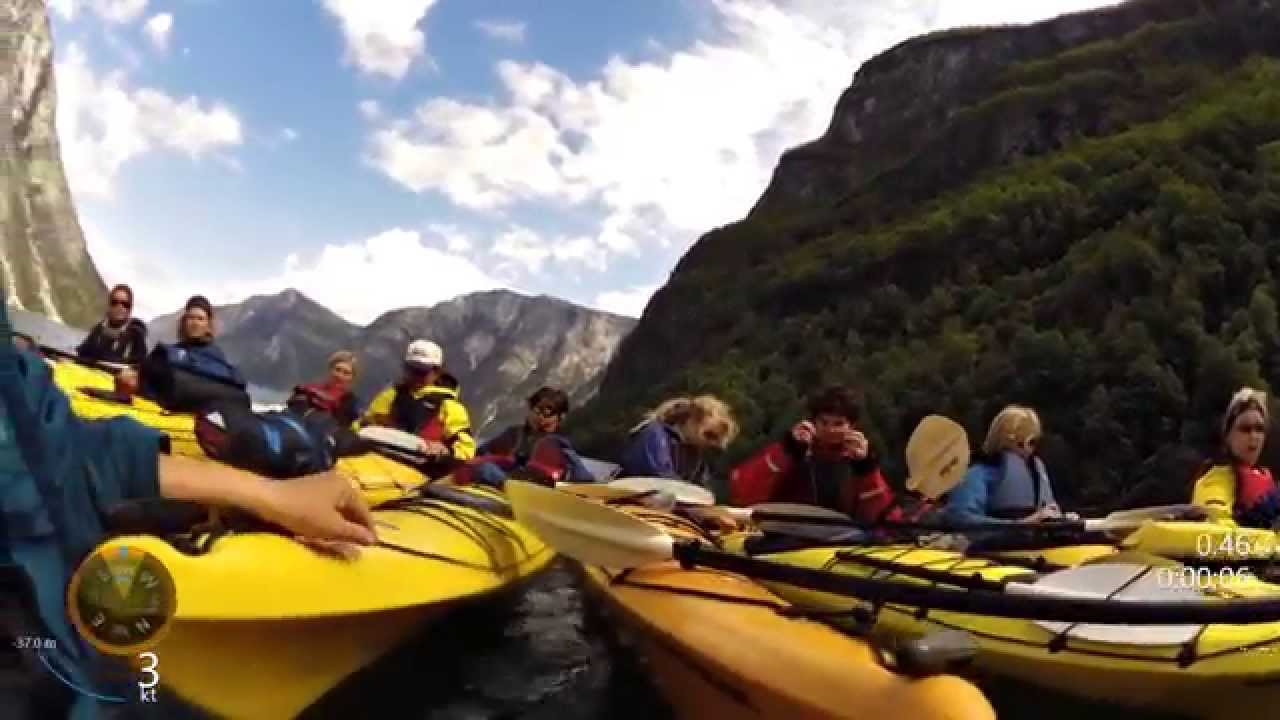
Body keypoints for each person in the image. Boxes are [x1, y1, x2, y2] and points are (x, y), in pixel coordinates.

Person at [0, 285, 376, 719]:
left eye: (347, 371)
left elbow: (57, 451)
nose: (340, 376)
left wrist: (267, 494)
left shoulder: (334, 401)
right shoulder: (159, 357)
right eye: (190, 317)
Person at [728, 385, 902, 523]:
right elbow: (742, 492)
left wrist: (866, 468)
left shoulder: (859, 464)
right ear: (813, 422)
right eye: (824, 422)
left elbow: (882, 516)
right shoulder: (792, 451)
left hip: (842, 540)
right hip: (787, 534)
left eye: (838, 424)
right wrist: (788, 450)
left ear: (852, 426)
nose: (830, 430)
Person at [361, 339, 475, 477]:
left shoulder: (450, 407)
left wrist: (446, 451)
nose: (415, 376)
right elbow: (362, 425)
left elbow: (466, 449)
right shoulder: (391, 395)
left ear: (437, 372)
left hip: (419, 473)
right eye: (411, 369)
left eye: (422, 371)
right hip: (375, 462)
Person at [942, 404, 1068, 526]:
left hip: (1034, 538)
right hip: (995, 539)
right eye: (1027, 443)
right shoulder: (977, 474)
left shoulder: (1036, 472)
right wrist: (1021, 524)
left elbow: (1049, 510)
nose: (1029, 450)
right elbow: (961, 517)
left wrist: (1061, 518)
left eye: (1035, 443)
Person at [118, 295, 247, 409]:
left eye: (200, 319)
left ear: (208, 324)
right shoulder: (172, 352)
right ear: (184, 321)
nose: (195, 323)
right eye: (191, 318)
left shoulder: (214, 355)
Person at [460, 386, 595, 488]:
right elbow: (481, 452)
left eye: (546, 414)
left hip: (533, 491)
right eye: (536, 410)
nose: (539, 417)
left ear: (560, 417)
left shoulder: (558, 444)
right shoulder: (514, 434)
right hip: (506, 482)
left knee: (486, 469)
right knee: (484, 467)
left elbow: (584, 478)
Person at [1191, 387, 1277, 528]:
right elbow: (1215, 522)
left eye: (1259, 429)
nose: (1254, 436)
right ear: (1228, 436)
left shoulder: (1266, 478)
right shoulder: (1216, 478)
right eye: (1245, 429)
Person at [618, 394, 738, 487]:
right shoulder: (655, 434)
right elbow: (660, 477)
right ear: (691, 421)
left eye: (715, 441)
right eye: (709, 435)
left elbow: (700, 488)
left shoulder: (694, 455)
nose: (709, 443)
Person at [75, 284, 148, 366]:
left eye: (125, 304)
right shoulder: (98, 329)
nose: (119, 307)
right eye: (114, 302)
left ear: (130, 309)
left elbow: (141, 367)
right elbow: (80, 353)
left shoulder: (136, 335)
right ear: (109, 306)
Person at [288, 350, 363, 427]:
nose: (339, 375)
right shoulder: (308, 389)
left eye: (346, 373)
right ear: (330, 369)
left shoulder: (351, 404)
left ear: (352, 378)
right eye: (337, 369)